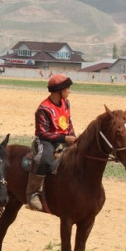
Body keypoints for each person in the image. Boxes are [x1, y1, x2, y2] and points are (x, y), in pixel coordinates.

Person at [26, 74, 76, 211]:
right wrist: (63, 139)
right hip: (45, 141)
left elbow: (68, 123)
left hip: (64, 138)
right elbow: (42, 133)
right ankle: (33, 194)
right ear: (58, 91)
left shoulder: (66, 103)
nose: (69, 91)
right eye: (67, 89)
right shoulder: (44, 108)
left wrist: (73, 138)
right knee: (45, 159)